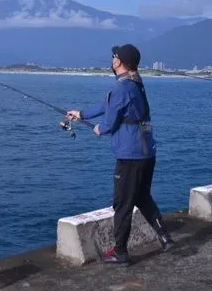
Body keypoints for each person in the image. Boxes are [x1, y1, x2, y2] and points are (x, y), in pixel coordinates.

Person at [66, 44, 174, 264]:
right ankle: (165, 237)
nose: (112, 58)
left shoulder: (122, 88)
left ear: (119, 62)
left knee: (122, 203)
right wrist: (82, 114)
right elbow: (108, 105)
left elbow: (109, 122)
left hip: (130, 156)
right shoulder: (135, 84)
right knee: (142, 196)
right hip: (146, 152)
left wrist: (100, 129)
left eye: (114, 56)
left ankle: (121, 252)